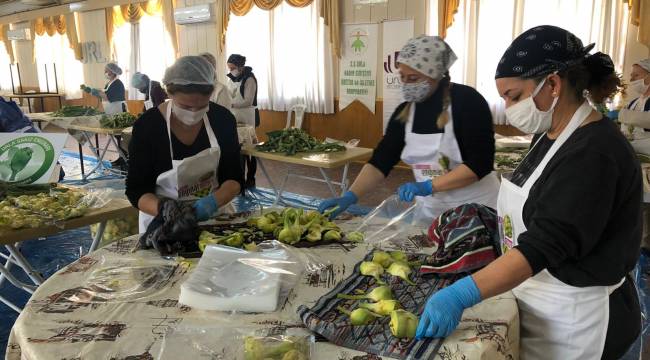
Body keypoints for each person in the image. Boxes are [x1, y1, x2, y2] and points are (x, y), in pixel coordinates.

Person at [416, 26, 640, 360]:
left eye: (514, 96)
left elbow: (546, 243)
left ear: (552, 84)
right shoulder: (550, 135)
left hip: (577, 316)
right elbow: (537, 208)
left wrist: (462, 294)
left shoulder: (595, 152)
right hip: (538, 295)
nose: (509, 107)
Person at [318, 35, 499, 222]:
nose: (406, 84)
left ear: (436, 74)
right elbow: (381, 161)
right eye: (402, 77)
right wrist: (350, 196)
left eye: (413, 78)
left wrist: (428, 186)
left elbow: (480, 164)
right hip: (431, 211)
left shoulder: (468, 102)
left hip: (477, 209)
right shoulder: (404, 113)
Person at [125, 56, 244, 232]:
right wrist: (166, 210)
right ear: (169, 93)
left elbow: (234, 178)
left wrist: (211, 203)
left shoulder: (222, 120)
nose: (194, 112)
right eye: (185, 106)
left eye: (202, 106)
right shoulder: (148, 126)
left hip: (214, 218)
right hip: (162, 224)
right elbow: (136, 189)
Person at [227, 53, 259, 188]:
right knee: (238, 149)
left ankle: (251, 178)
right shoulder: (231, 79)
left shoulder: (250, 79)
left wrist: (230, 104)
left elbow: (248, 101)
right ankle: (239, 178)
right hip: (235, 115)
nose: (230, 71)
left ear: (240, 67)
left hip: (248, 115)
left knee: (250, 149)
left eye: (232, 68)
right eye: (229, 68)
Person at [618, 58, 650, 137]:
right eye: (631, 75)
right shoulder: (632, 103)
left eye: (636, 75)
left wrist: (623, 115)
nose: (631, 79)